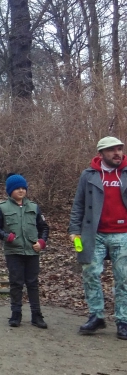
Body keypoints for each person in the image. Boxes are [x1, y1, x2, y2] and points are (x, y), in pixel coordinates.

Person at [69, 136, 127, 339]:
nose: (117, 153)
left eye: (119, 149)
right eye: (112, 150)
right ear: (101, 153)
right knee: (90, 273)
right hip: (94, 234)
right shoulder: (89, 175)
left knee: (124, 279)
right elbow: (79, 204)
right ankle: (96, 315)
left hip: (123, 234)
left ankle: (123, 320)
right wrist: (74, 230)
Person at [0, 174, 49, 328]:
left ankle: (37, 315)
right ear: (10, 191)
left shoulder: (34, 207)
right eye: (17, 188)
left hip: (32, 251)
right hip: (13, 252)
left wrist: (42, 242)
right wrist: (6, 237)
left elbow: (44, 228)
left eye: (23, 188)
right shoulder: (2, 207)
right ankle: (16, 314)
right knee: (16, 283)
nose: (21, 191)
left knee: (33, 283)